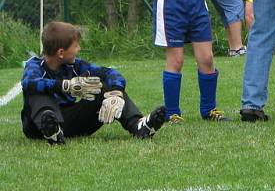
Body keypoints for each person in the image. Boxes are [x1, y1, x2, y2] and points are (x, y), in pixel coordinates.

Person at [21, 21, 166, 144]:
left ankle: (139, 126)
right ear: (61, 53)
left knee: (101, 87)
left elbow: (109, 73)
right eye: (76, 46)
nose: (79, 49)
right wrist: (66, 85)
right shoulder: (35, 65)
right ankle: (51, 130)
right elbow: (29, 83)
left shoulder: (76, 66)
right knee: (36, 91)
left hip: (68, 123)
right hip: (36, 127)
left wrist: (116, 92)